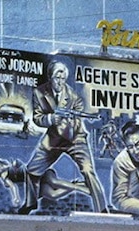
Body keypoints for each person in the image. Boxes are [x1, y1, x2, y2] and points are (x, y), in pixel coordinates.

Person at [22, 59, 108, 214]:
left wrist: (68, 121)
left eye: (63, 78)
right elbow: (37, 117)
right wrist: (50, 119)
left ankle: (102, 208)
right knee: (31, 170)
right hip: (54, 139)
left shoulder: (73, 97)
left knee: (88, 171)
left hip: (75, 139)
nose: (60, 82)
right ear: (50, 77)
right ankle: (31, 203)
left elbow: (78, 115)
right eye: (57, 77)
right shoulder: (39, 92)